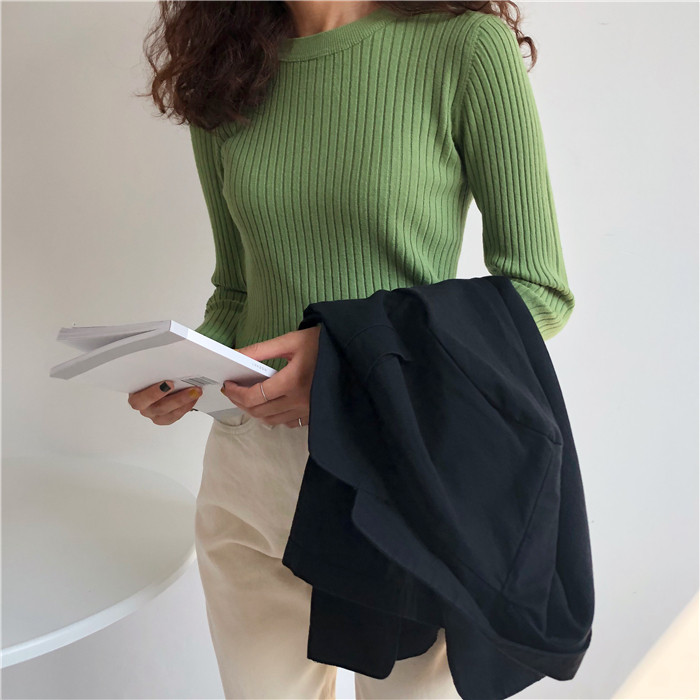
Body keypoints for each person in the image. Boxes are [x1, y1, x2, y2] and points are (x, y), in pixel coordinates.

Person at [129, 1, 575, 697]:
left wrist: (344, 362)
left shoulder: (463, 47)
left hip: (401, 466)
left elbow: (538, 291)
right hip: (250, 474)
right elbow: (237, 290)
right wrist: (183, 369)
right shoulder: (223, 67)